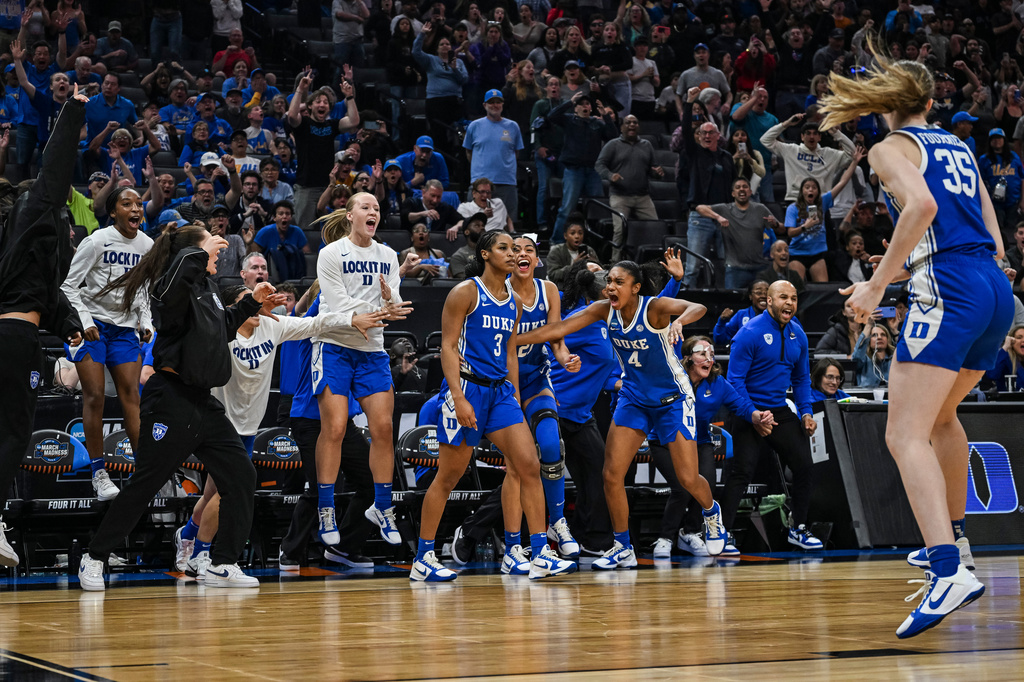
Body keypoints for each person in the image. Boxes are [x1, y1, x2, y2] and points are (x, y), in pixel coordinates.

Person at [820, 49, 1014, 637]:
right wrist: (911, 267)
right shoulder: (958, 146)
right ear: (931, 102)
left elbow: (923, 207)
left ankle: (947, 571)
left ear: (887, 102)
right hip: (992, 286)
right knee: (943, 418)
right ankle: (955, 542)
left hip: (951, 287)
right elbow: (988, 235)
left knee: (903, 434)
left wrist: (877, 284)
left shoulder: (889, 147)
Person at [78, 223, 285, 591]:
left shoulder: (209, 289)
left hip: (203, 402)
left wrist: (252, 301)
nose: (218, 251)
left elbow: (223, 329)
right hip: (170, 399)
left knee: (241, 475)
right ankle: (94, 556)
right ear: (192, 253)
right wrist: (200, 250)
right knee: (146, 484)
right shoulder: (168, 288)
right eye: (209, 246)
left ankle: (223, 563)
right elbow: (176, 281)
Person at [516, 257, 728, 569]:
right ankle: (622, 546)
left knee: (686, 477)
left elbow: (697, 307)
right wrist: (513, 340)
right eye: (609, 281)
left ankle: (711, 512)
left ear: (636, 288)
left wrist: (680, 321)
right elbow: (559, 328)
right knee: (611, 474)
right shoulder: (603, 310)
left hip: (672, 399)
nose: (611, 287)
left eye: (618, 282)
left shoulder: (654, 308)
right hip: (634, 398)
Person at [174, 283, 394, 578]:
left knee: (215, 491)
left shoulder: (271, 326)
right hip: (220, 424)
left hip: (249, 425)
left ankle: (188, 535)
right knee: (231, 489)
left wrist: (354, 317)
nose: (254, 306)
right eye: (246, 302)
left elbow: (315, 322)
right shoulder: (219, 333)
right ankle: (201, 555)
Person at [412, 230, 576, 581]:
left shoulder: (513, 301)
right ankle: (423, 557)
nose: (513, 253)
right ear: (485, 254)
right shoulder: (465, 292)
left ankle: (539, 552)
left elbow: (509, 353)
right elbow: (448, 348)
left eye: (515, 248)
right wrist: (457, 397)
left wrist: (513, 395)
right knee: (449, 476)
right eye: (505, 248)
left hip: (500, 391)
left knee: (529, 464)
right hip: (468, 388)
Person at [0, 89, 86, 569]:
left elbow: (49, 300)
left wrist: (72, 326)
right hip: (15, 341)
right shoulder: (33, 214)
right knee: (13, 435)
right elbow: (53, 171)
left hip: (16, 335)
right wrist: (73, 111)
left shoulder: (20, 253)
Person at [312, 194, 409, 553]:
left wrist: (390, 304)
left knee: (383, 428)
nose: (373, 212)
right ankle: (326, 508)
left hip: (372, 349)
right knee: (335, 427)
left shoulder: (388, 255)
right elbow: (338, 304)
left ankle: (382, 506)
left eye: (377, 209)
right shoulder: (331, 253)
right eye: (365, 207)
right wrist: (383, 309)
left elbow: (394, 303)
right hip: (334, 344)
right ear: (350, 215)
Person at [60, 187, 154, 502]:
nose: (136, 209)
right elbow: (68, 287)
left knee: (132, 397)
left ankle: (144, 473)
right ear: (113, 212)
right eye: (127, 204)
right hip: (93, 326)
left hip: (125, 328)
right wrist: (85, 321)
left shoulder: (147, 245)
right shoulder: (97, 241)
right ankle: (99, 474)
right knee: (95, 396)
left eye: (138, 204)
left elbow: (143, 291)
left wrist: (146, 322)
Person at [651, 336, 773, 558]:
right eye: (702, 354)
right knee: (682, 487)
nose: (709, 359)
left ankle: (690, 533)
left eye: (712, 354)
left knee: (706, 485)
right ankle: (666, 538)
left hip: (699, 442)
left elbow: (741, 405)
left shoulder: (718, 384)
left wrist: (758, 416)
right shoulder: (671, 378)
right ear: (687, 358)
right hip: (664, 441)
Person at [723, 281, 823, 553]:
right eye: (783, 297)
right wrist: (752, 414)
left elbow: (801, 379)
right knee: (741, 472)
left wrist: (805, 412)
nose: (789, 303)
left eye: (794, 298)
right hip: (748, 408)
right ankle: (723, 532)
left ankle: (798, 528)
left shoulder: (798, 335)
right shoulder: (749, 333)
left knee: (805, 465)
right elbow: (734, 381)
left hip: (778, 410)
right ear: (769, 301)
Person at [509, 235, 581, 560]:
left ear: (537, 260)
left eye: (529, 250)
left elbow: (556, 338)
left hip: (537, 378)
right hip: (503, 384)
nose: (523, 254)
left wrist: (565, 358)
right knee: (517, 467)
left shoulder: (549, 290)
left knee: (552, 446)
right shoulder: (499, 293)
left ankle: (558, 523)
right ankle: (513, 543)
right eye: (516, 250)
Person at [286, 71, 360, 231]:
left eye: (326, 102)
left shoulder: (332, 125)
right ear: (310, 106)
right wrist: (300, 89)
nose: (322, 104)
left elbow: (354, 121)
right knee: (305, 230)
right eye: (318, 101)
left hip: (328, 186)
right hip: (306, 187)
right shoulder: (304, 123)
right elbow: (291, 115)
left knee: (330, 231)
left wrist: (349, 97)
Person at [547, 90, 617, 244]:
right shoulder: (569, 120)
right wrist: (570, 102)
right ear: (576, 108)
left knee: (598, 209)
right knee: (567, 208)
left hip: (593, 171)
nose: (585, 106)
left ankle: (595, 243)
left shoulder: (597, 123)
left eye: (587, 104)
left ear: (591, 108)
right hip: (574, 170)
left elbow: (613, 137)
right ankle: (556, 241)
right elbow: (551, 116)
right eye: (581, 104)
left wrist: (605, 116)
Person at [785, 148, 864, 283]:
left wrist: (855, 162)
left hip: (818, 254)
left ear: (818, 191)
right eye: (807, 187)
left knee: (823, 289)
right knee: (796, 288)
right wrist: (805, 226)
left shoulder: (823, 202)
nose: (810, 190)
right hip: (797, 253)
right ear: (802, 191)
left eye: (814, 187)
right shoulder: (793, 208)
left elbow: (842, 182)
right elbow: (790, 233)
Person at [596, 114, 663, 261]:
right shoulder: (613, 144)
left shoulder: (647, 145)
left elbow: (653, 168)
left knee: (656, 227)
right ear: (622, 127)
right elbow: (599, 165)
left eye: (635, 122)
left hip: (643, 197)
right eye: (628, 122)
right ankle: (614, 263)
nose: (632, 125)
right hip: (620, 196)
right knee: (620, 230)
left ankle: (655, 263)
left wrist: (657, 173)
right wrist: (610, 175)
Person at [695, 179, 777, 289]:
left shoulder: (760, 209)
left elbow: (781, 229)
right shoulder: (725, 209)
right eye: (738, 187)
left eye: (745, 187)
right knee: (732, 299)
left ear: (750, 192)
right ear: (733, 193)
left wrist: (775, 224)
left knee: (765, 298)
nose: (741, 189)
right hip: (735, 269)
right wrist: (718, 217)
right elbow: (699, 208)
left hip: (759, 267)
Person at [761, 114, 856, 204]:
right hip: (795, 199)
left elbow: (853, 154)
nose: (811, 137)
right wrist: (786, 124)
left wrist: (836, 133)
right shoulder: (791, 150)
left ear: (819, 137)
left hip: (820, 200)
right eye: (808, 133)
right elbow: (765, 140)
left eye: (815, 134)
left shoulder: (829, 154)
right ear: (802, 137)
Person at [463, 89, 524, 224]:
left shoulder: (513, 126)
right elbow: (468, 152)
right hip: (479, 184)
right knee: (476, 224)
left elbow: (516, 153)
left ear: (502, 105)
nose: (495, 105)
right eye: (491, 102)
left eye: (498, 102)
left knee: (507, 225)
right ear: (485, 105)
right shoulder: (474, 126)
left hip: (506, 183)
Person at [978, 128, 1024, 235]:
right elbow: (980, 182)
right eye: (993, 138)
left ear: (1004, 140)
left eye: (999, 138)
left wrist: (1023, 200)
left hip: (1014, 202)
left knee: (1013, 230)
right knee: (998, 231)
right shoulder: (984, 159)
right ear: (989, 141)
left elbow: (1022, 178)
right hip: (994, 204)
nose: (997, 141)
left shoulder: (1014, 157)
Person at [545, 214, 599, 288]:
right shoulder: (556, 251)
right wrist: (574, 266)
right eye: (572, 233)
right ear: (565, 236)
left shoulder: (589, 250)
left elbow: (599, 274)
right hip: (562, 287)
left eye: (580, 233)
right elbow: (553, 275)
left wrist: (595, 264)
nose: (577, 236)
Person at [711, 279, 769, 346]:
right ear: (750, 296)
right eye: (759, 293)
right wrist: (721, 322)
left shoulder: (776, 316)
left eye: (767, 293)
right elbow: (720, 340)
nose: (764, 296)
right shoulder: (741, 315)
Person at [852, 322, 894, 387]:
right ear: (868, 341)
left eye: (883, 335)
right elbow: (856, 358)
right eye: (874, 335)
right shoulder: (863, 360)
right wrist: (868, 326)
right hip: (866, 393)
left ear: (887, 339)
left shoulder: (894, 360)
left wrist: (894, 331)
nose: (879, 337)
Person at [984, 325, 1024, 391]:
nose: (1023, 340)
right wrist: (1005, 347)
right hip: (1009, 397)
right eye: (1019, 337)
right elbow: (991, 375)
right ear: (1011, 341)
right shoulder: (1005, 358)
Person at [449, 212, 486, 279]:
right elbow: (464, 278)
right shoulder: (459, 256)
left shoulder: (493, 251)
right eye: (477, 225)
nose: (482, 228)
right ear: (467, 232)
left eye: (483, 225)